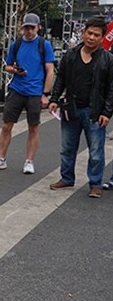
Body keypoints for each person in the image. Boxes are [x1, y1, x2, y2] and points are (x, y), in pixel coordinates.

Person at [48, 17, 113, 198]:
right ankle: (67, 178)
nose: (91, 37)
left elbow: (111, 89)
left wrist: (107, 112)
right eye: (89, 33)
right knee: (67, 147)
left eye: (96, 35)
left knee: (96, 151)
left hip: (95, 112)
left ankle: (95, 183)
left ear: (102, 38)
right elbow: (60, 78)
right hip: (71, 108)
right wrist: (54, 98)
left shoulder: (108, 59)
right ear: (83, 32)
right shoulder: (71, 55)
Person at [0, 13, 55, 174]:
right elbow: (7, 66)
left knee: (33, 127)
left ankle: (29, 161)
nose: (29, 31)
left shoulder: (44, 45)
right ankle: (0, 158)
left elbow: (49, 70)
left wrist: (46, 93)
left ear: (38, 28)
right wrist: (15, 70)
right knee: (6, 125)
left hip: (35, 91)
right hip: (17, 88)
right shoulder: (16, 44)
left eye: (32, 28)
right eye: (26, 28)